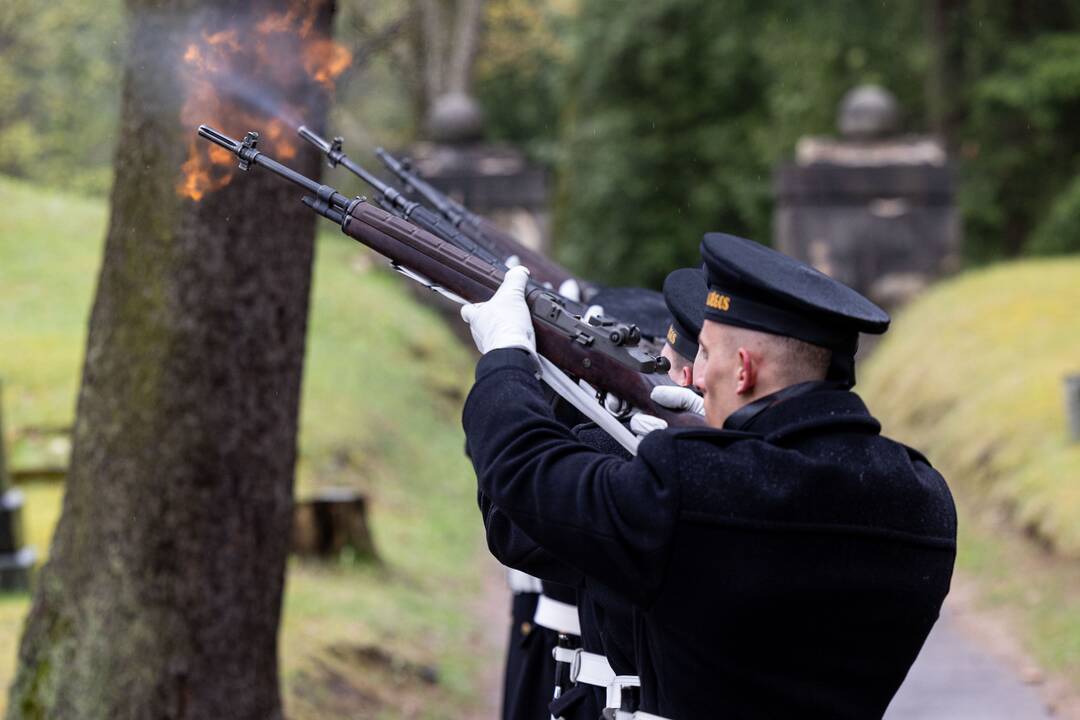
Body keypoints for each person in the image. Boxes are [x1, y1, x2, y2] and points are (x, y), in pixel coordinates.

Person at [460, 232, 957, 718]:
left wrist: (507, 359)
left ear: (743, 370)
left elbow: (526, 472)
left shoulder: (694, 483)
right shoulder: (924, 499)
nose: (695, 375)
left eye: (705, 354)